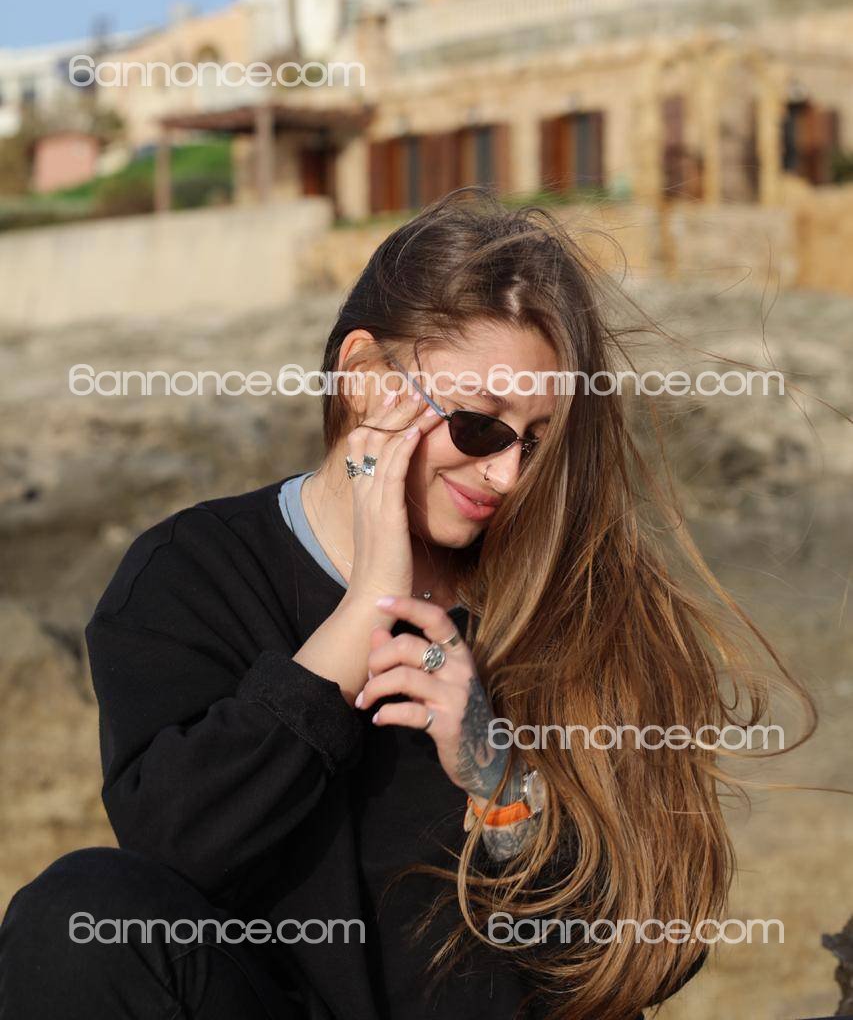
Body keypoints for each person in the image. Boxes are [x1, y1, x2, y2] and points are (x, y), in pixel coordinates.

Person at [0, 187, 812, 1020]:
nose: (507, 476)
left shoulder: (586, 601)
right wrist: (362, 615)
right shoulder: (192, 573)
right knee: (74, 919)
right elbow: (175, 852)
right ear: (364, 378)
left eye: (537, 444)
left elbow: (659, 947)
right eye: (478, 426)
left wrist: (500, 784)